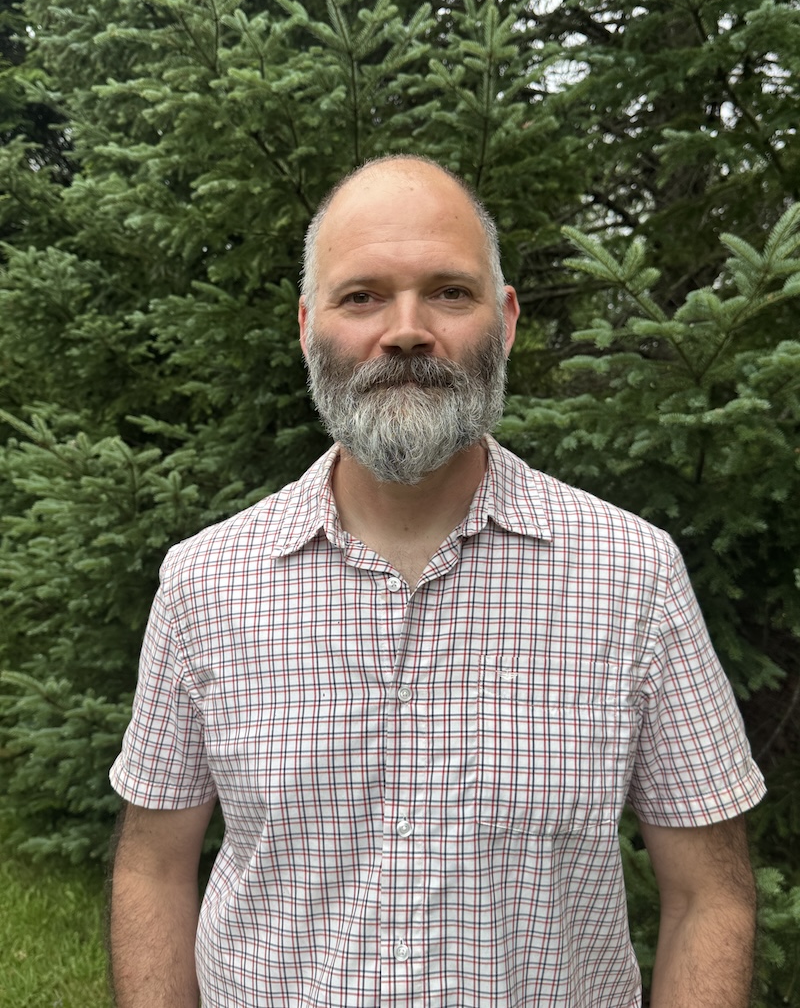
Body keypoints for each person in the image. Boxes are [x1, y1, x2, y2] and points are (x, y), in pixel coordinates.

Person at [109, 155, 765, 1008]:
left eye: (450, 293)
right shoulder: (204, 582)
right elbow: (151, 870)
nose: (407, 329)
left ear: (508, 319)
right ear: (309, 324)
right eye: (362, 296)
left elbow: (709, 895)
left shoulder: (633, 576)